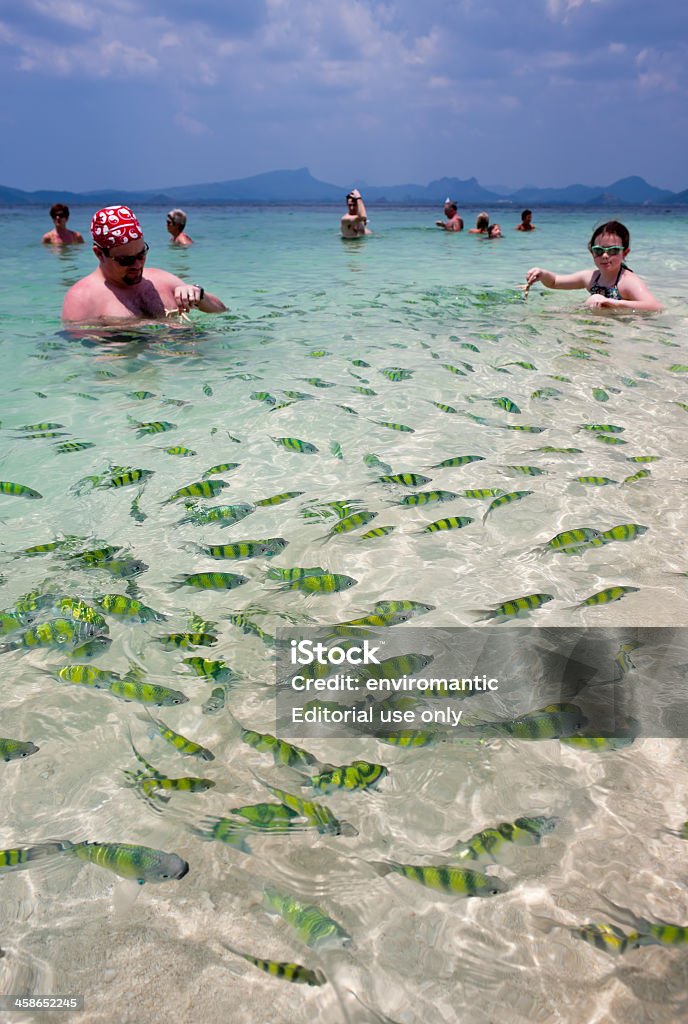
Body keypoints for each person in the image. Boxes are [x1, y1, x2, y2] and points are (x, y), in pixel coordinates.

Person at [62, 205, 226, 322]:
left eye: (141, 254)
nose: (137, 265)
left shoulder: (160, 279)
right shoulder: (82, 299)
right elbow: (79, 359)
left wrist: (199, 295)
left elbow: (222, 311)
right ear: (99, 254)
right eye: (125, 260)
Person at [524, 220, 662, 312]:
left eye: (613, 250)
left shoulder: (627, 282)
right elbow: (555, 282)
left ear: (625, 253)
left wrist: (613, 303)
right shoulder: (591, 278)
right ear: (591, 251)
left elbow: (654, 306)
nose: (605, 256)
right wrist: (542, 274)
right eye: (598, 250)